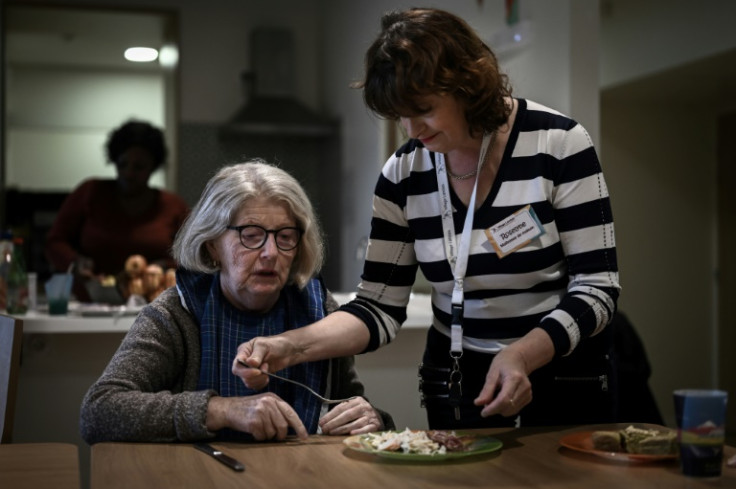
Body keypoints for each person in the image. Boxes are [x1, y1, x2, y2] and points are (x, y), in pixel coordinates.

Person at [236, 8, 620, 430]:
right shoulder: (403, 175)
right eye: (399, 115)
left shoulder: (558, 143)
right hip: (457, 381)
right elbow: (377, 307)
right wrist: (287, 347)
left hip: (560, 372)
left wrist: (522, 354)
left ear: (468, 85)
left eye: (423, 109)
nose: (411, 129)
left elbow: (597, 289)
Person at [79, 160, 393, 443]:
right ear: (213, 244)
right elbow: (99, 411)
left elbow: (349, 406)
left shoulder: (319, 311)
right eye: (251, 234)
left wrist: (375, 419)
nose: (271, 252)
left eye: (285, 236)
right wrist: (221, 410)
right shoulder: (176, 312)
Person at [45, 119, 190, 302]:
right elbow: (55, 242)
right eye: (122, 164)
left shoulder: (172, 206)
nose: (128, 173)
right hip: (90, 303)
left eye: (138, 167)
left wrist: (164, 266)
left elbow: (194, 255)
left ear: (153, 167)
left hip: (153, 307)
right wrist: (75, 262)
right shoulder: (90, 193)